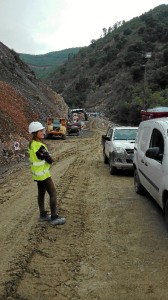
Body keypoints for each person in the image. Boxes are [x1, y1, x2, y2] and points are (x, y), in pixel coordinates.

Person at [28, 121, 66, 225]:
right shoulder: (39, 145)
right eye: (41, 131)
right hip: (43, 175)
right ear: (35, 133)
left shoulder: (32, 144)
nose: (43, 132)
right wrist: (50, 157)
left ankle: (43, 215)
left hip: (37, 174)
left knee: (41, 193)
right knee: (53, 193)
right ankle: (54, 218)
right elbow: (49, 159)